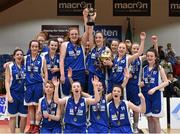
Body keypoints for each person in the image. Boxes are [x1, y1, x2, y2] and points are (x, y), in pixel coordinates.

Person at [60, 8, 94, 96]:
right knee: (67, 95)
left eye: (76, 34)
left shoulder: (81, 44)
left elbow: (87, 31)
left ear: (78, 35)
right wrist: (62, 75)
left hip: (80, 73)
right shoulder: (65, 45)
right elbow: (61, 60)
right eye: (72, 34)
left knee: (80, 94)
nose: (74, 36)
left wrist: (85, 17)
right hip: (68, 73)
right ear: (69, 35)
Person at [140, 48, 169, 133]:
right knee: (149, 118)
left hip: (156, 95)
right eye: (148, 56)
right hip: (146, 95)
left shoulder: (159, 68)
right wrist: (142, 83)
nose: (149, 58)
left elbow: (166, 82)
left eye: (151, 56)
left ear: (155, 57)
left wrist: (155, 88)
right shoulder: (144, 68)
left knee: (155, 118)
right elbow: (144, 81)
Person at [24, 40, 48, 133]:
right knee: (30, 107)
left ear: (39, 48)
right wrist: (8, 63)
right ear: (30, 47)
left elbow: (45, 72)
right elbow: (16, 61)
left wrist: (45, 82)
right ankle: (31, 125)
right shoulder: (25, 58)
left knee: (38, 106)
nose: (34, 48)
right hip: (28, 85)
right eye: (33, 46)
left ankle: (37, 126)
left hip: (38, 84)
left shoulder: (42, 58)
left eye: (36, 46)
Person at [5, 49, 27, 133]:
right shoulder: (10, 66)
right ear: (14, 56)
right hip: (13, 93)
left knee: (24, 116)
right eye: (17, 54)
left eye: (21, 54)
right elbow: (7, 81)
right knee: (13, 116)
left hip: (24, 94)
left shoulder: (25, 66)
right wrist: (8, 94)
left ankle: (22, 132)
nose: (19, 56)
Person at [126, 42, 146, 133]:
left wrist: (143, 40)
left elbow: (154, 54)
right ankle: (127, 125)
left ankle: (135, 126)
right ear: (130, 49)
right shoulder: (127, 58)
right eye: (134, 48)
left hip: (135, 87)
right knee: (126, 107)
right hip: (126, 86)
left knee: (136, 109)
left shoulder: (140, 59)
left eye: (137, 49)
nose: (136, 50)